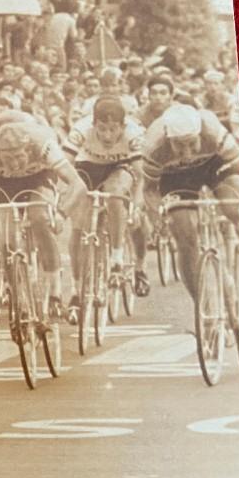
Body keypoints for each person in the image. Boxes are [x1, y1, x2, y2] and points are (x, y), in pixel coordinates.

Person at [0, 113, 84, 319]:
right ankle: (14, 290)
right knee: (4, 236)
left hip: (39, 178)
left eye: (19, 157)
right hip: (2, 182)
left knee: (40, 218)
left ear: (29, 149)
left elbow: (78, 185)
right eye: (8, 159)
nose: (15, 164)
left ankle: (55, 292)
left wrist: (61, 214)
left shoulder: (43, 144)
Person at [142, 104, 239, 302]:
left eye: (192, 143)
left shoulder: (213, 132)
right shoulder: (154, 145)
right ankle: (201, 303)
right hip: (175, 178)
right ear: (168, 138)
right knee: (185, 238)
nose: (187, 153)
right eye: (179, 145)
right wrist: (158, 217)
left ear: (200, 133)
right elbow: (149, 189)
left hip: (214, 167)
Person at [63, 95, 150, 323]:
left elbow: (141, 175)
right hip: (86, 167)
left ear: (123, 125)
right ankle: (75, 291)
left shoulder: (134, 134)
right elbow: (63, 165)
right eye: (102, 129)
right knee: (78, 228)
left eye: (113, 129)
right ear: (94, 124)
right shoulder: (80, 129)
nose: (108, 136)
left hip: (119, 167)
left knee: (115, 194)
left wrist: (138, 202)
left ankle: (117, 259)